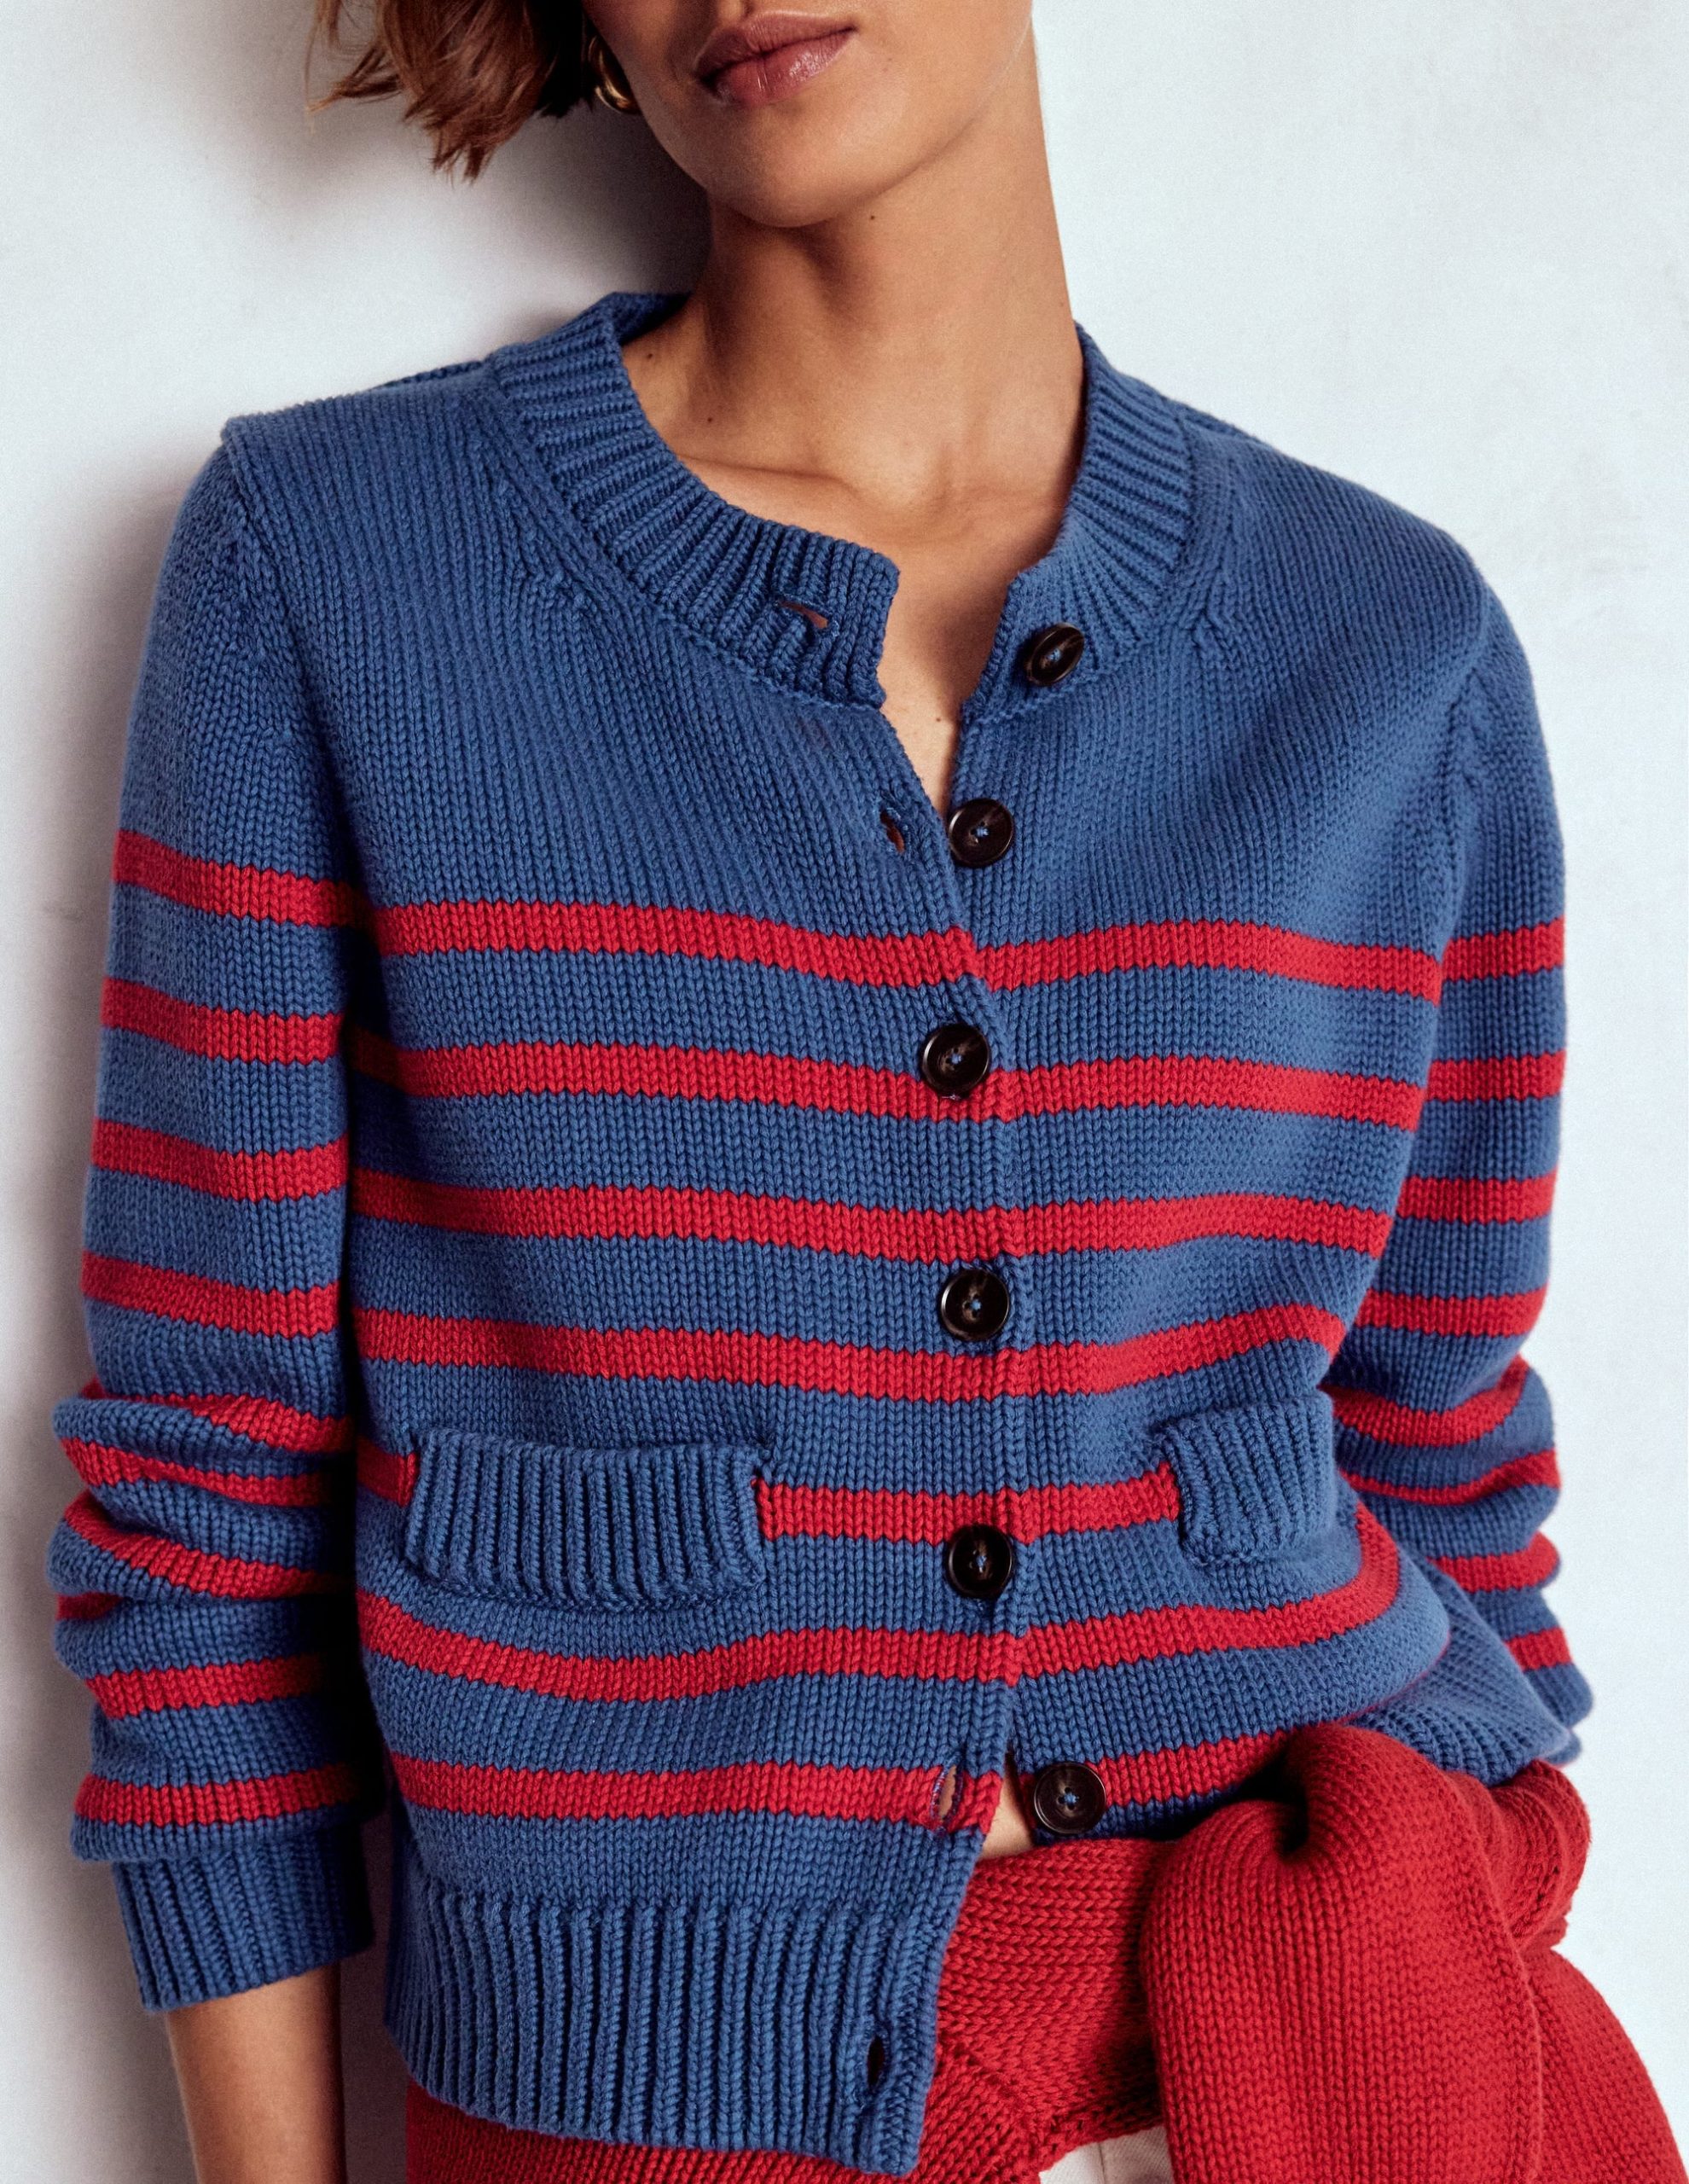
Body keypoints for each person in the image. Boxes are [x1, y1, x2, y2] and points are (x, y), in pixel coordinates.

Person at [46, 5, 1685, 2183]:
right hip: (659, 2098)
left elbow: (1440, 1435)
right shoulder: (347, 570)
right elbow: (207, 1490)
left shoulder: (1388, 648)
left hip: (1371, 2043)